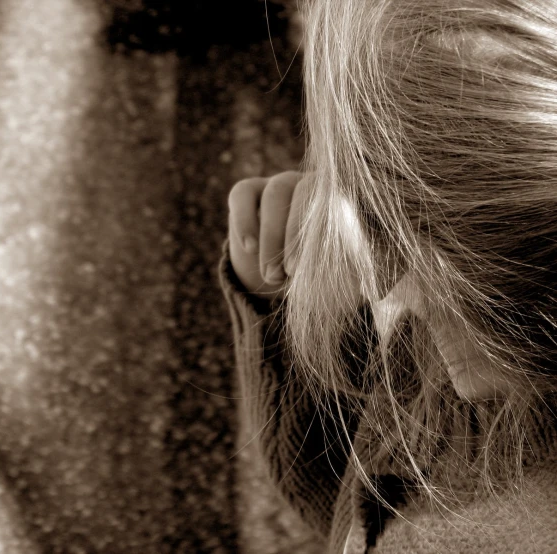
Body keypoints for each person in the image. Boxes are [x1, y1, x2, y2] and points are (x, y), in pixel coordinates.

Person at [219, 0, 557, 552]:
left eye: (408, 219)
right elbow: (351, 505)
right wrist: (285, 306)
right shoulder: (466, 344)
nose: (375, 282)